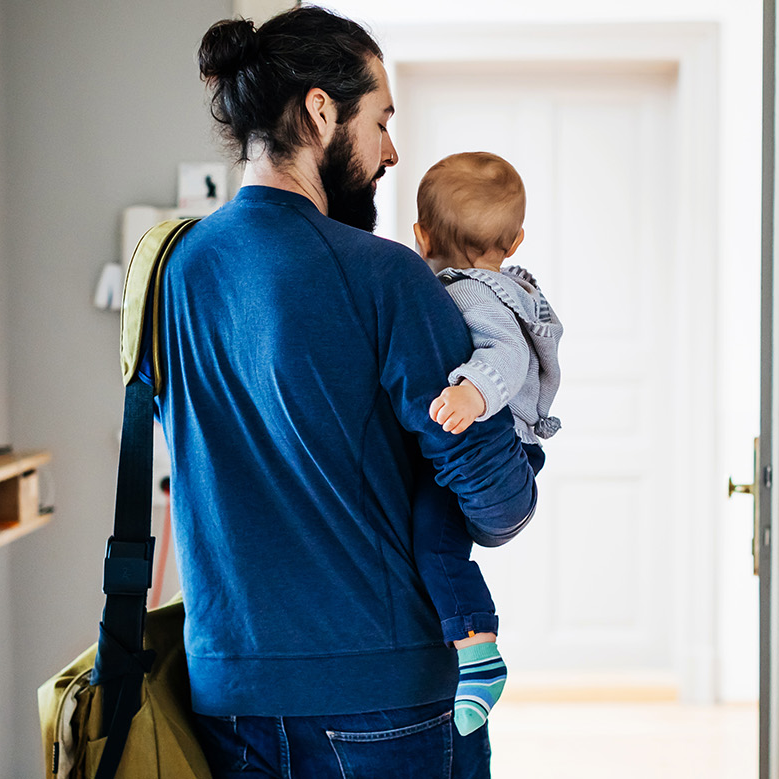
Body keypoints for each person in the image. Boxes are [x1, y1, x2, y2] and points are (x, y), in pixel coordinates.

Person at [145, 8, 538, 778]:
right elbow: (497, 502)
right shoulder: (386, 274)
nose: (392, 151)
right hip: (380, 697)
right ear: (322, 112)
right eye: (381, 120)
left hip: (227, 690)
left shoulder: (177, 269)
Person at [410, 152, 563, 737]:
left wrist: (473, 394)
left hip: (508, 447)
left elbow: (507, 355)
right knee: (433, 543)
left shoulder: (474, 294)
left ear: (421, 235)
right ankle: (471, 649)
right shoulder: (477, 286)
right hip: (502, 445)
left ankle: (480, 654)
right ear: (517, 239)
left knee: (435, 544)